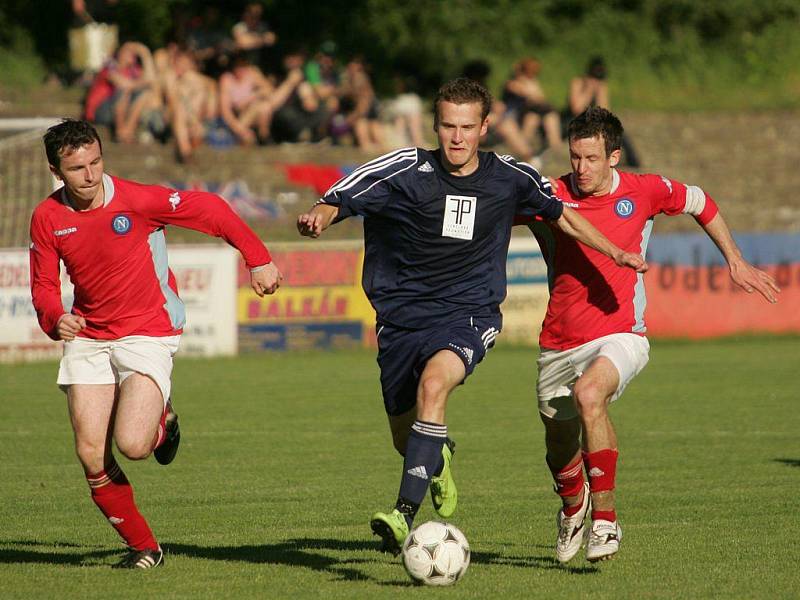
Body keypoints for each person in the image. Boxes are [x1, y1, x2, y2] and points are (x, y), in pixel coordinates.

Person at [296, 78, 646, 555]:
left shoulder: (511, 177)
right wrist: (322, 212)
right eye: (447, 127)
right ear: (435, 126)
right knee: (406, 437)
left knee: (435, 386)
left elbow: (561, 213)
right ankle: (434, 458)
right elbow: (346, 193)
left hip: (469, 313)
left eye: (466, 127)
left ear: (485, 127)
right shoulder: (406, 168)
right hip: (400, 320)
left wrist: (616, 252)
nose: (457, 138)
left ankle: (402, 516)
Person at [518, 106, 779, 564]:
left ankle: (605, 519)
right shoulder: (552, 195)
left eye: (592, 159)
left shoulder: (645, 191)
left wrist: (734, 260)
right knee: (559, 445)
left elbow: (701, 201)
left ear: (614, 156)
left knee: (590, 394)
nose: (581, 169)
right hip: (559, 338)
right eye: (575, 158)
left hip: (622, 333)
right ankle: (573, 505)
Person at [29, 119, 282, 569]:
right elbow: (44, 286)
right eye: (76, 168)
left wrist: (258, 258)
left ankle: (163, 419)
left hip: (147, 329)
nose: (89, 175)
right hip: (89, 334)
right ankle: (145, 547)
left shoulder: (139, 200)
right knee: (90, 453)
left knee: (133, 444)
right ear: (55, 170)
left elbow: (212, 209)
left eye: (96, 162)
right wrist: (55, 318)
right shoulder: (48, 217)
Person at [564, 56, 640, 168]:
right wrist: (588, 90)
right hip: (573, 118)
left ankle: (631, 160)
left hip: (591, 118)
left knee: (618, 131)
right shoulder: (578, 82)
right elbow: (576, 108)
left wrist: (599, 92)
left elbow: (605, 111)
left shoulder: (601, 85)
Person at [502, 57, 562, 155]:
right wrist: (522, 77)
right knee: (532, 118)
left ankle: (555, 147)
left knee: (550, 116)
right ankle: (523, 149)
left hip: (529, 112)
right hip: (513, 116)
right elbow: (531, 95)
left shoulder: (533, 82)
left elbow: (541, 98)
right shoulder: (511, 83)